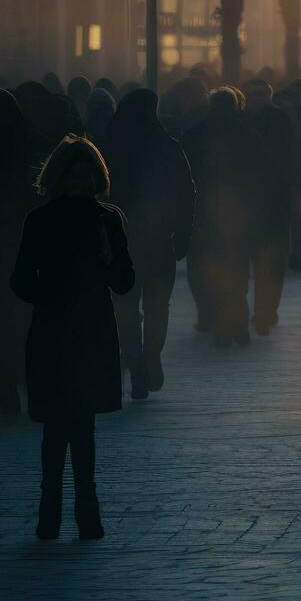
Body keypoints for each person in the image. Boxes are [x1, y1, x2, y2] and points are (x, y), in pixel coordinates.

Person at [10, 136, 135, 540]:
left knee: (73, 423)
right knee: (69, 423)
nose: (82, 181)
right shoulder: (50, 220)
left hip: (73, 328)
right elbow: (21, 278)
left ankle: (63, 512)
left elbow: (123, 280)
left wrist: (106, 258)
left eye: (87, 173)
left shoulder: (104, 220)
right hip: (67, 328)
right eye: (75, 173)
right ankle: (77, 511)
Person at [101, 89, 194, 399]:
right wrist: (182, 233)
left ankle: (136, 363)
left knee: (125, 307)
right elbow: (185, 192)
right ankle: (152, 354)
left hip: (120, 241)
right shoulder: (167, 146)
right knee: (157, 305)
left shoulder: (110, 147)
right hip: (157, 241)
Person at [181, 87, 253, 345]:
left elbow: (186, 175)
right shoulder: (246, 134)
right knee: (237, 266)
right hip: (237, 212)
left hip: (205, 210)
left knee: (211, 266)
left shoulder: (195, 133)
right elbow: (256, 174)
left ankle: (220, 321)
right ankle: (239, 323)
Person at [0, 90, 42, 412]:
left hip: (5, 249)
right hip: (18, 248)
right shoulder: (32, 143)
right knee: (12, 325)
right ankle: (7, 386)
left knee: (10, 324)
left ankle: (4, 387)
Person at [240, 79, 296, 337]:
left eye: (260, 94)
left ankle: (266, 309)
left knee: (273, 262)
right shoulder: (239, 122)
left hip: (275, 203)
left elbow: (294, 159)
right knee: (254, 259)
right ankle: (258, 310)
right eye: (252, 95)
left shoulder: (281, 121)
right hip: (248, 205)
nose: (256, 99)